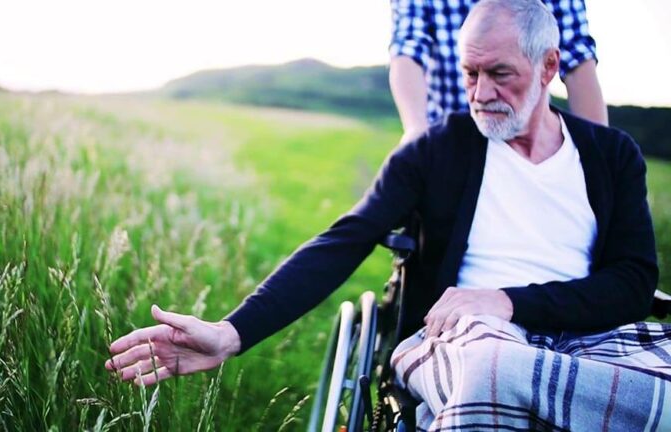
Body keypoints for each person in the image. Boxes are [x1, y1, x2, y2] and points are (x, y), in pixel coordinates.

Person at [105, 0, 670, 428]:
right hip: (470, 339)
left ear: (549, 67)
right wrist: (232, 332)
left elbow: (632, 282)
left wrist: (510, 298)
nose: (479, 93)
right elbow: (344, 241)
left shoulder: (609, 155)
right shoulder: (437, 150)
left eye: (499, 74)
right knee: (492, 372)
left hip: (591, 336)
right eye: (470, 74)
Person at [389, 0, 608, 144]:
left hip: (523, 140)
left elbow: (578, 63)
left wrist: (598, 147)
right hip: (449, 142)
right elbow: (407, 51)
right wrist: (416, 129)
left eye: (500, 73)